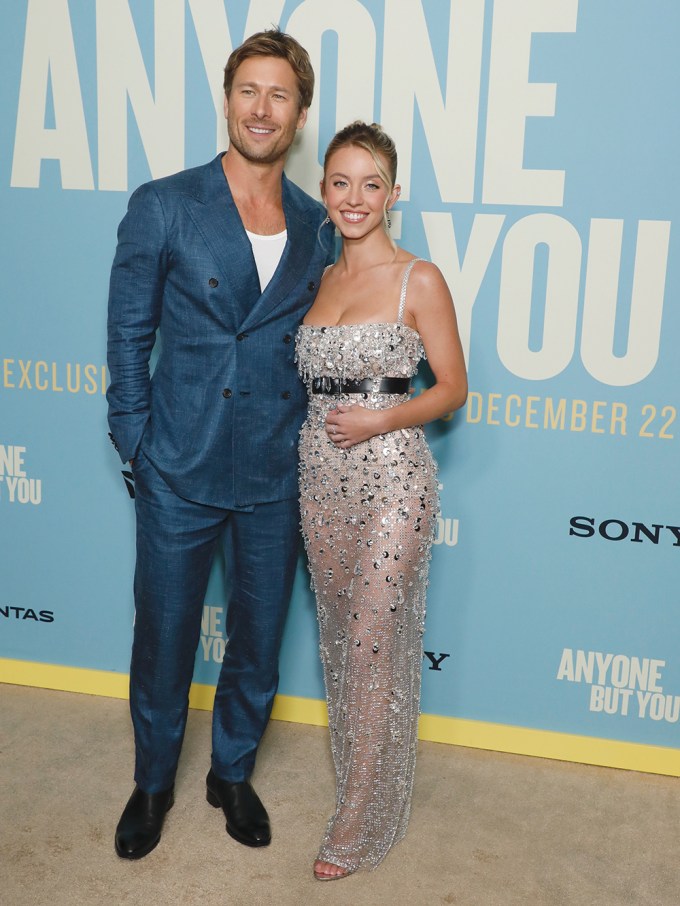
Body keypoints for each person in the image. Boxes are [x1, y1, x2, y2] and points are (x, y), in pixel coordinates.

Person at [106, 29, 333, 860]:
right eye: (248, 90)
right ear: (228, 99)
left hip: (277, 467)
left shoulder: (316, 224)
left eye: (279, 95)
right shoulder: (166, 202)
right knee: (164, 637)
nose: (261, 108)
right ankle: (155, 780)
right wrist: (137, 441)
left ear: (299, 115)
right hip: (180, 461)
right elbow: (128, 335)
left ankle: (231, 772)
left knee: (259, 637)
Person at [296, 121, 468, 879]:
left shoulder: (417, 278)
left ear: (394, 193)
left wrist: (382, 418)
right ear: (324, 190)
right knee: (341, 638)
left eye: (371, 183)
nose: (355, 197)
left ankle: (358, 818)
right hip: (318, 476)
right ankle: (368, 779)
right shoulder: (320, 278)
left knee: (369, 637)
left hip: (395, 474)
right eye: (340, 182)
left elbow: (454, 390)